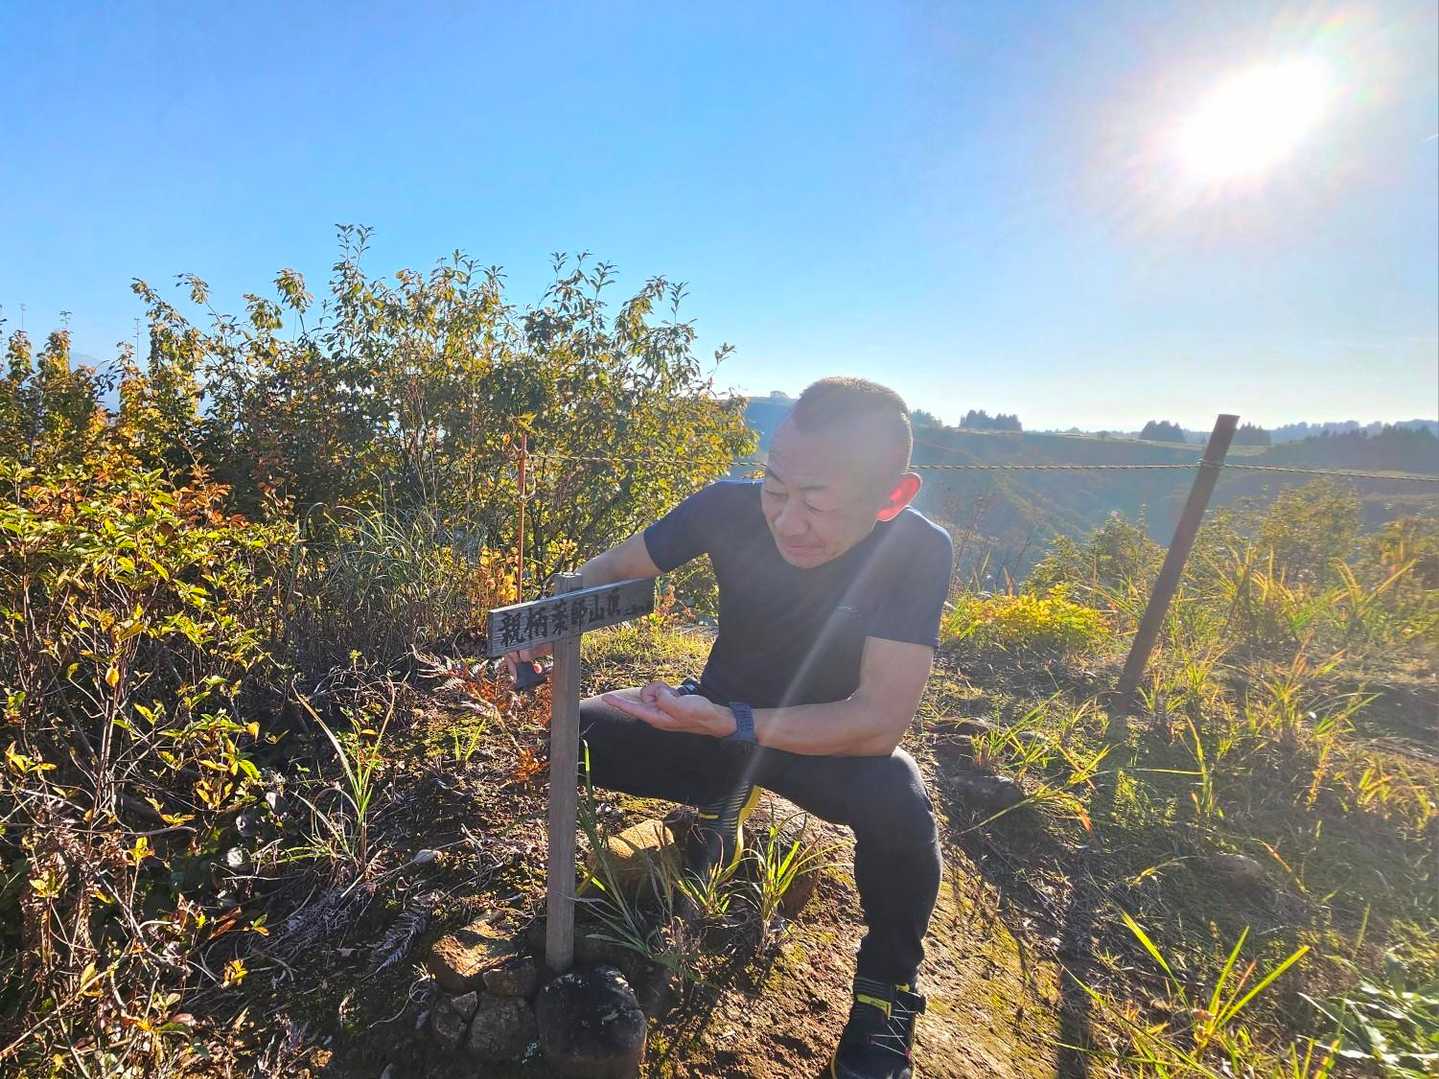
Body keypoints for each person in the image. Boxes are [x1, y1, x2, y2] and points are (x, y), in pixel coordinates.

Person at [507, 377, 953, 1079]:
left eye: (817, 503)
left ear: (892, 496)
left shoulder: (916, 549)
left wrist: (734, 723)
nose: (787, 521)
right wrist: (545, 620)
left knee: (898, 799)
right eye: (776, 488)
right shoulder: (725, 507)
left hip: (817, 743)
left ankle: (885, 994)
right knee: (581, 734)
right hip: (715, 718)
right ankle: (724, 805)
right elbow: (614, 568)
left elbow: (876, 721)